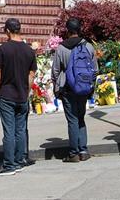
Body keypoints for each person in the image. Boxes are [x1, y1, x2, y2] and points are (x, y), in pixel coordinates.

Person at [0, 18, 37, 176]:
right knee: (20, 130)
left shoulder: (3, 49)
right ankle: (19, 160)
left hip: (7, 94)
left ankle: (9, 164)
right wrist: (26, 90)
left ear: (7, 31)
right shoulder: (29, 50)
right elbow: (31, 75)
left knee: (9, 131)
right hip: (22, 95)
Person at [51, 18, 97, 163]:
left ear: (68, 30)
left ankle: (73, 153)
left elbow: (56, 71)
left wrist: (56, 87)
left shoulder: (61, 48)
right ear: (79, 29)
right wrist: (90, 86)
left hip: (68, 88)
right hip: (83, 88)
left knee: (72, 120)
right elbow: (95, 69)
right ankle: (83, 150)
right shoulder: (88, 46)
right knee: (81, 118)